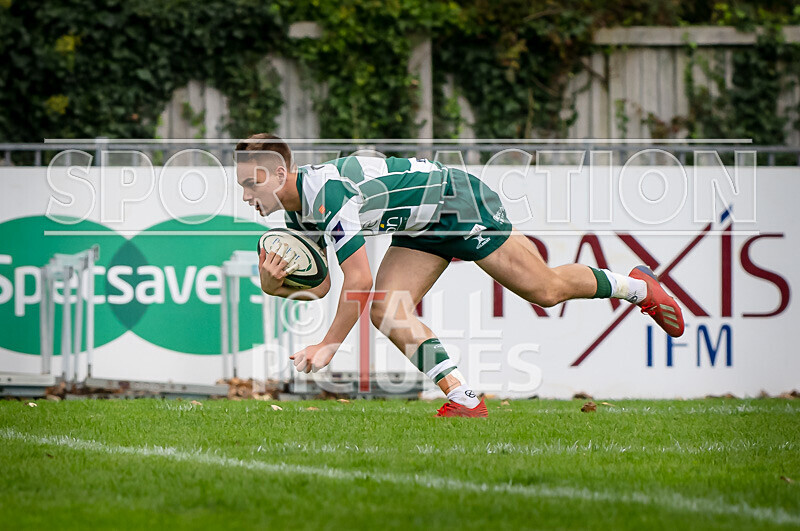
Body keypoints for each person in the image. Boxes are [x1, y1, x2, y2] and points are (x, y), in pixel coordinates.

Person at [235, 133, 685, 417]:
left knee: (545, 290)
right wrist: (274, 285)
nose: (246, 196)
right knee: (386, 312)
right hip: (420, 225)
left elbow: (358, 280)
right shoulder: (298, 212)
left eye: (251, 184)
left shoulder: (329, 195)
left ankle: (636, 286)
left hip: (457, 202)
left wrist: (329, 344)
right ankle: (464, 399)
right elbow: (321, 287)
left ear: (280, 173)